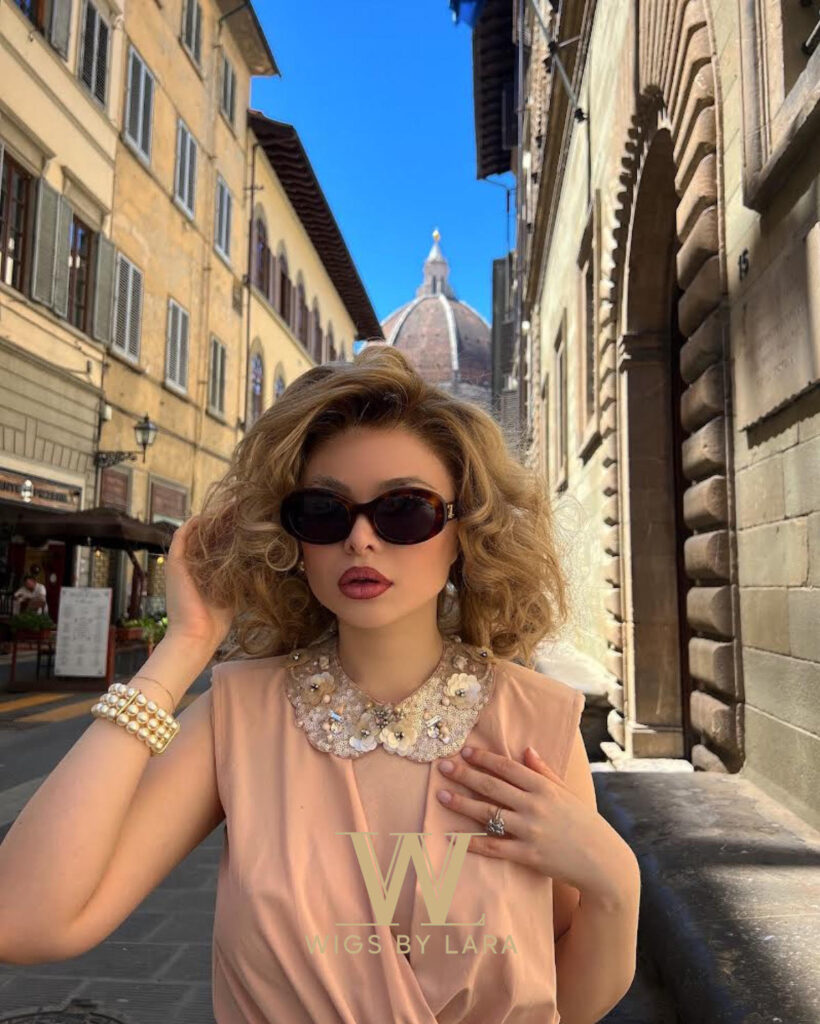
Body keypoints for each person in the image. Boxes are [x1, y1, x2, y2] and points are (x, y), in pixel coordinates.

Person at [0, 346, 641, 1023]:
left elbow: (569, 1002)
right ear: (293, 538)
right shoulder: (238, 717)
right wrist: (185, 646)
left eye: (404, 509)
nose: (360, 539)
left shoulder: (535, 720)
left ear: (465, 531)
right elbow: (25, 919)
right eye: (324, 512)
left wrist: (617, 883)